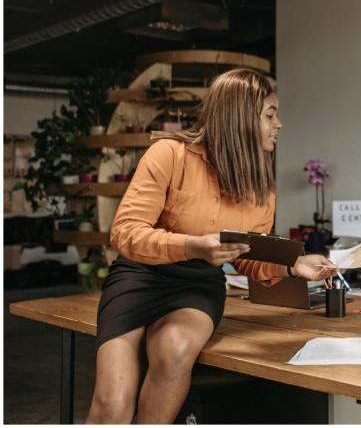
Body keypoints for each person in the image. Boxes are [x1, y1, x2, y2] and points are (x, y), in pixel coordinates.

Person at [86, 69, 338, 423]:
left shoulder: (261, 190)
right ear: (239, 117)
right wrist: (191, 245)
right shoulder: (168, 154)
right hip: (139, 275)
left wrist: (293, 265)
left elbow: (249, 260)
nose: (278, 124)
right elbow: (125, 233)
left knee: (174, 351)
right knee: (113, 403)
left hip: (197, 285)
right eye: (269, 115)